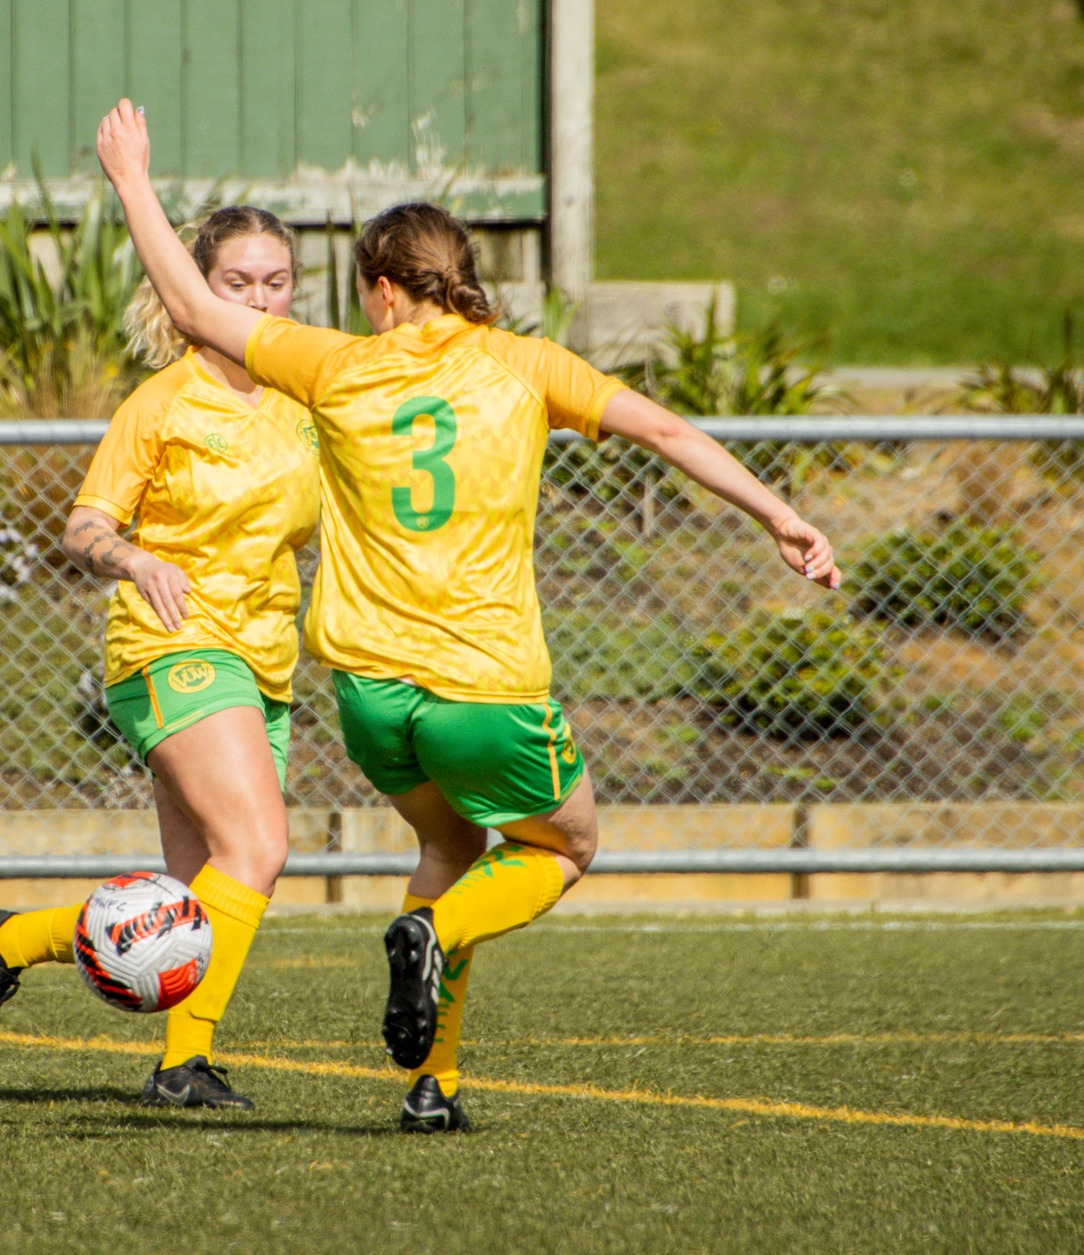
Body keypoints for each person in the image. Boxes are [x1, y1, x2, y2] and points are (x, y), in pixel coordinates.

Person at [92, 100, 844, 1132]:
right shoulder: (527, 364)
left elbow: (188, 306)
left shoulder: (334, 365)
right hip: (486, 688)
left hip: (369, 700)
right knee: (562, 846)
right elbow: (663, 428)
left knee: (446, 843)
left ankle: (431, 1082)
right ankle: (432, 939)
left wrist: (133, 181)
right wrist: (780, 514)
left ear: (384, 290)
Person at [0, 209, 319, 1111]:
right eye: (239, 283)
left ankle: (10, 940)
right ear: (196, 288)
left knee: (199, 898)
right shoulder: (163, 401)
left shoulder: (307, 400)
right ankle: (181, 1067)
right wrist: (136, 557)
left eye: (276, 281)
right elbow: (85, 526)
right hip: (172, 647)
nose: (260, 299)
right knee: (259, 847)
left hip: (267, 658)